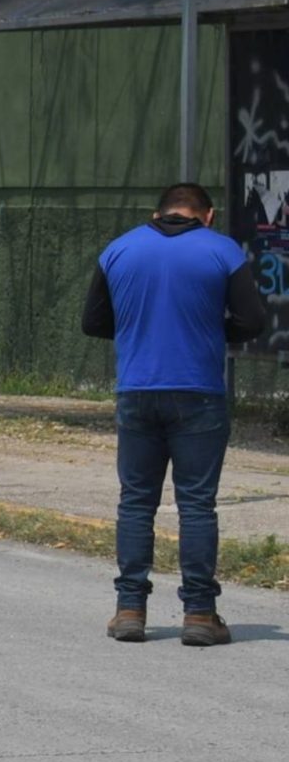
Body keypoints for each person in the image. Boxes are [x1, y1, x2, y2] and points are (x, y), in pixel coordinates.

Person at [82, 181, 262, 647]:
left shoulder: (119, 250)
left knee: (136, 501)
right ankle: (200, 615)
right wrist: (207, 325)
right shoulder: (223, 251)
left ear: (157, 212)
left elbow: (93, 322)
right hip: (199, 392)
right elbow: (252, 321)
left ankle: (129, 610)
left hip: (137, 391)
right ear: (208, 215)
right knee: (197, 505)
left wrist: (141, 327)